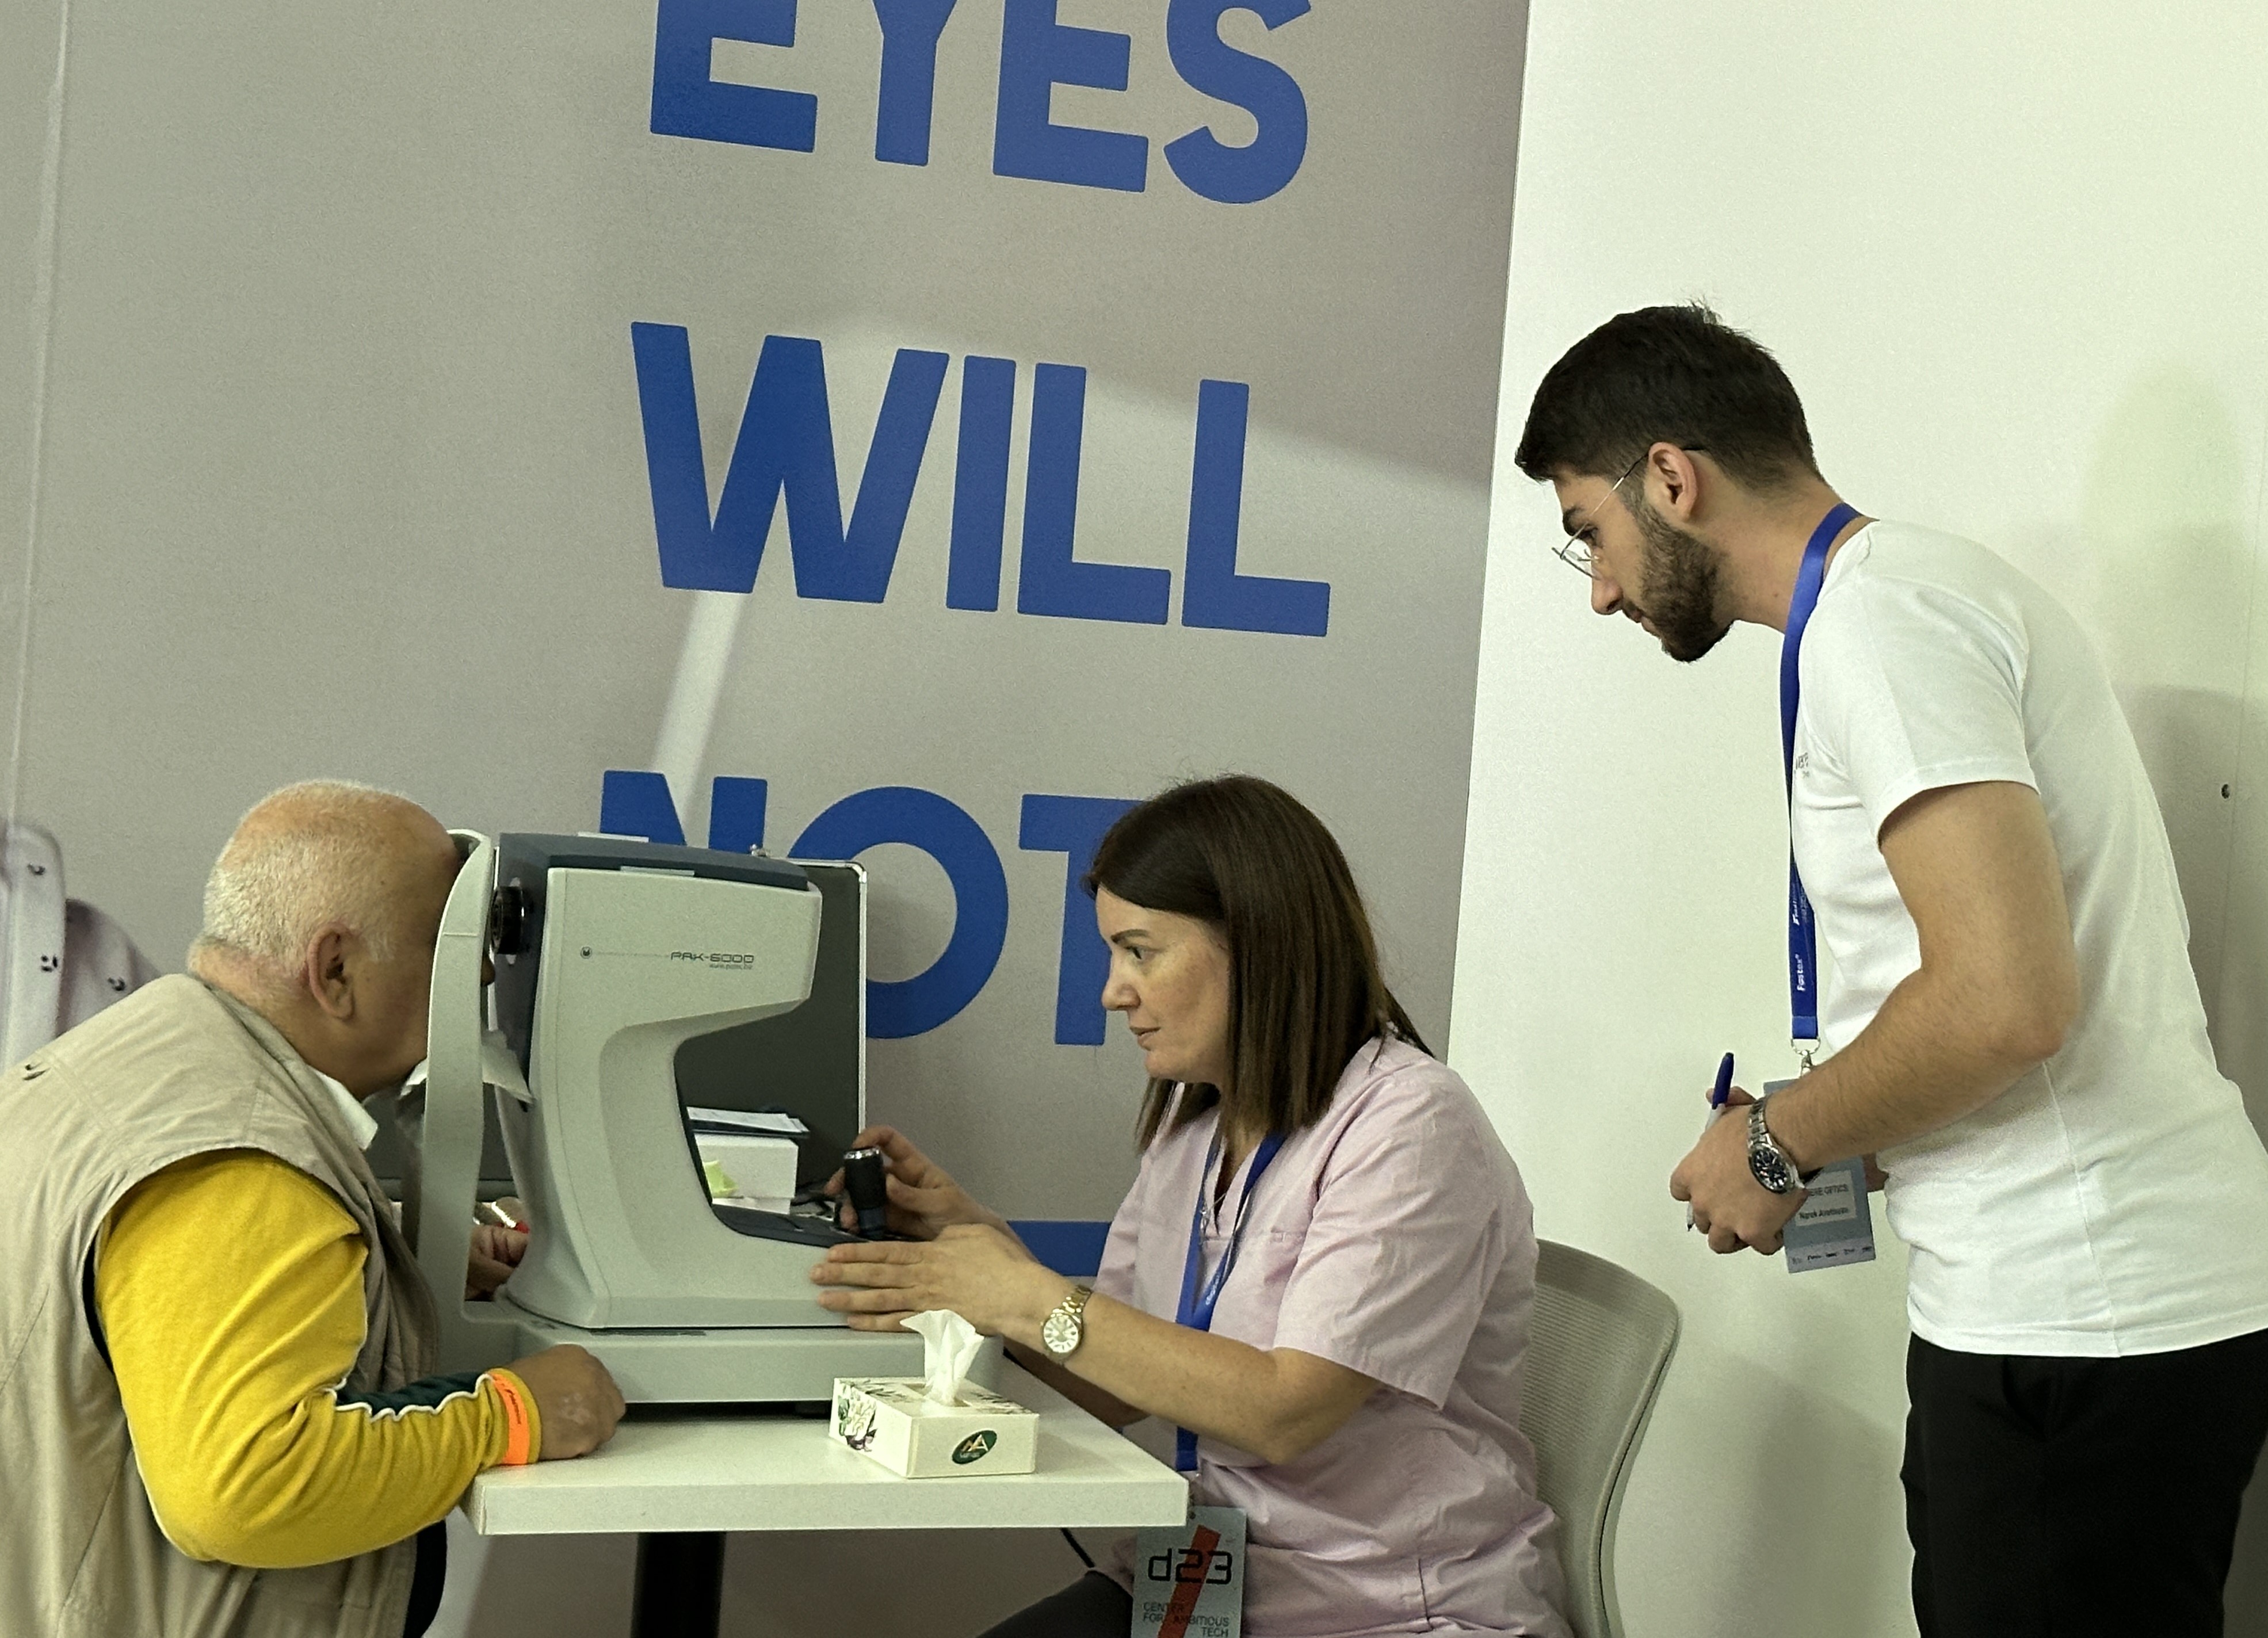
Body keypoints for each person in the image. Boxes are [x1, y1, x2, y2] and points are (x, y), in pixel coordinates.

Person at [1515, 304, 2268, 1637]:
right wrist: (1826, 1127)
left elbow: (2007, 1000)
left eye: (1590, 531)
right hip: (2063, 1308)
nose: (1602, 589)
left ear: (1671, 478)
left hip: (2081, 1314)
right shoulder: (1892, 608)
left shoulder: (1884, 626)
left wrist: (1779, 1143)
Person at [811, 775, 1568, 1638]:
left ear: (1258, 944)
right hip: (1199, 1587)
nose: (1113, 992)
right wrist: (985, 1256)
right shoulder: (1197, 1127)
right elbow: (1112, 1383)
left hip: (1377, 1610)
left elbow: (1284, 1411)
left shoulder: (1413, 1124)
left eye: (1140, 952)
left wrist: (1021, 1295)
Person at [0, 780, 626, 1638]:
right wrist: (515, 1415)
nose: (479, 977)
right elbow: (247, 1490)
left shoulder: (145, 1061)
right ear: (335, 971)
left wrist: (396, 1264)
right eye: (446, 948)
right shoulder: (245, 1166)